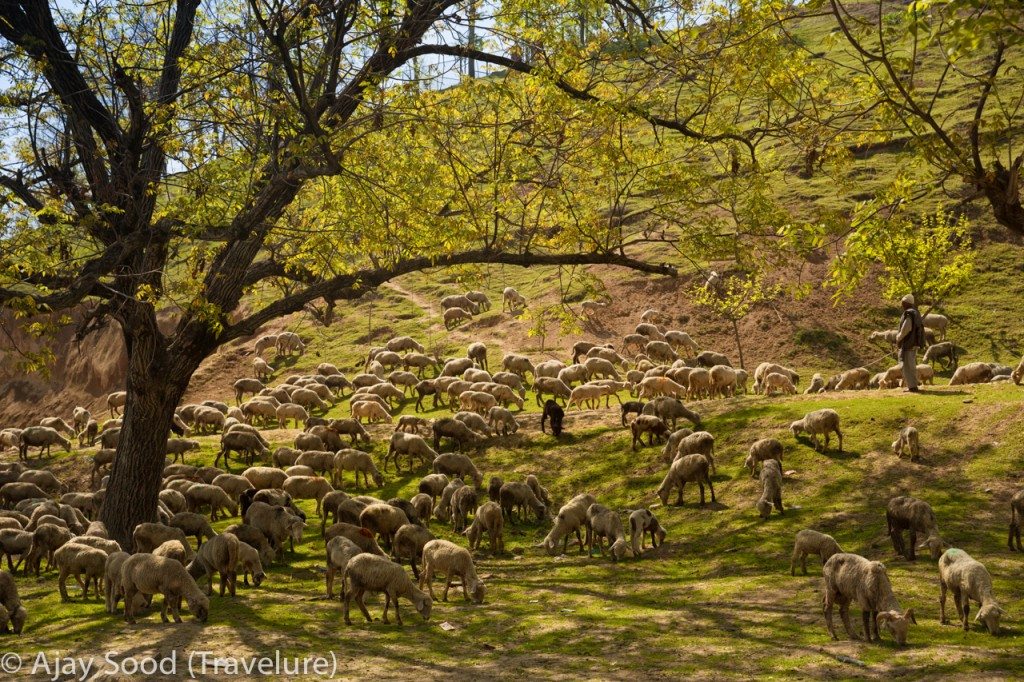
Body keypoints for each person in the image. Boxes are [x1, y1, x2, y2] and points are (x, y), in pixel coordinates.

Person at [896, 294, 926, 393]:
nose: (902, 304)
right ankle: (913, 385)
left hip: (908, 343)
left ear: (907, 303)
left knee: (907, 366)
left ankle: (912, 387)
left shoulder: (909, 314)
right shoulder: (916, 313)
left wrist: (898, 338)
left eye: (903, 302)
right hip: (913, 343)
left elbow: (906, 329)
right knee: (911, 365)